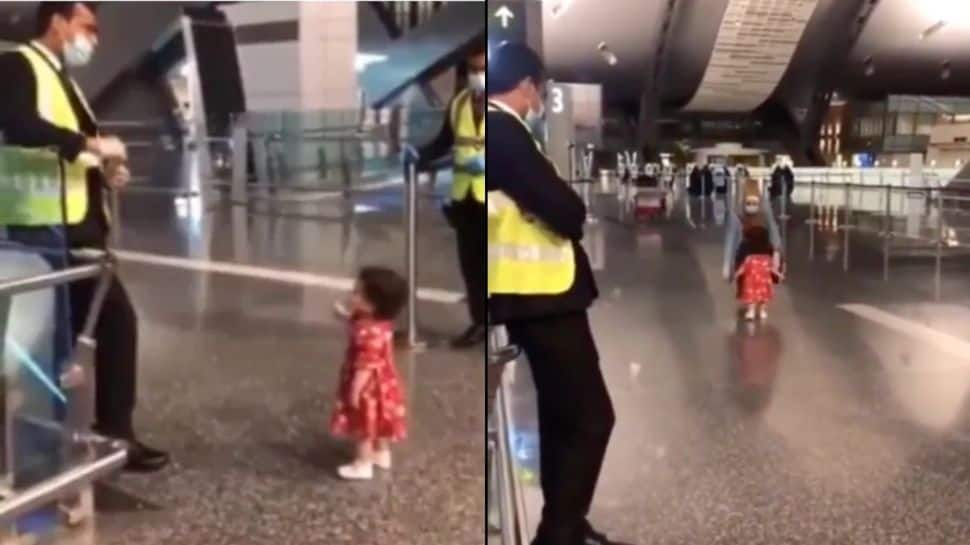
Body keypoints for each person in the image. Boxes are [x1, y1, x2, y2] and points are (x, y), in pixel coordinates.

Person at [0, 1, 169, 472]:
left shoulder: (63, 79)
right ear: (56, 22)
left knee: (79, 333)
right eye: (86, 27)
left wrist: (105, 168)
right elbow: (19, 125)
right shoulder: (17, 64)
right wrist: (91, 145)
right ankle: (93, 440)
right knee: (105, 324)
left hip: (72, 222)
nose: (91, 39)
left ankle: (82, 438)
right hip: (43, 226)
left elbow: (66, 146)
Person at [487, 42, 631, 545]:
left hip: (531, 295)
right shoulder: (502, 131)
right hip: (540, 296)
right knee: (593, 417)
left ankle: (565, 519)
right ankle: (559, 532)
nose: (539, 99)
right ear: (527, 85)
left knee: (559, 412)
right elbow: (566, 211)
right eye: (539, 90)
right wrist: (566, 206)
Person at [411, 43, 487, 349]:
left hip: (495, 197)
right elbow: (443, 142)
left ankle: (504, 325)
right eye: (473, 70)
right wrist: (417, 154)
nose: (478, 76)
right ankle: (480, 321)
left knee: (497, 266)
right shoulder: (458, 104)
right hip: (465, 198)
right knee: (471, 265)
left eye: (484, 70)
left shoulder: (504, 106)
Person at [330, 267, 408, 481]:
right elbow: (356, 323)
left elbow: (365, 364)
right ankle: (382, 453)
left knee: (363, 425)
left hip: (368, 386)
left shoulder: (367, 331)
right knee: (380, 420)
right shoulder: (380, 323)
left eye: (357, 293)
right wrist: (344, 315)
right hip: (384, 382)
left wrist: (355, 389)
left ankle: (362, 463)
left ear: (373, 304)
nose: (351, 295)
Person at [722, 176, 782, 283]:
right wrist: (727, 264)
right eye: (748, 203)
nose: (751, 206)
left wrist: (776, 252)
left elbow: (772, 228)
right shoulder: (737, 211)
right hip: (744, 254)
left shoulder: (764, 208)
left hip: (761, 255)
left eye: (755, 203)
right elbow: (730, 238)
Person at [733, 225, 783, 321]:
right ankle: (762, 311)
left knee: (751, 298)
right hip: (764, 282)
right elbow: (773, 268)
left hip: (751, 282)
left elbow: (742, 268)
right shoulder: (767, 258)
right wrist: (779, 275)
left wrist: (736, 275)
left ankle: (751, 311)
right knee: (763, 298)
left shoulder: (749, 258)